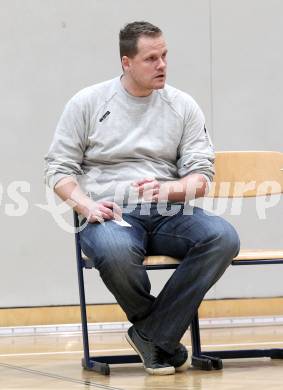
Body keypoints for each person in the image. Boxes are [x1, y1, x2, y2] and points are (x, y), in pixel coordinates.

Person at [44, 21, 240, 375]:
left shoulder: (183, 106)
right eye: (151, 58)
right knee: (114, 250)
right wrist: (87, 206)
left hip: (170, 211)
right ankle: (160, 337)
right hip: (110, 212)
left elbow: (201, 176)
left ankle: (152, 335)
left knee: (223, 237)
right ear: (126, 62)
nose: (162, 64)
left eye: (164, 55)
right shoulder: (88, 103)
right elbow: (57, 171)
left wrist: (171, 189)